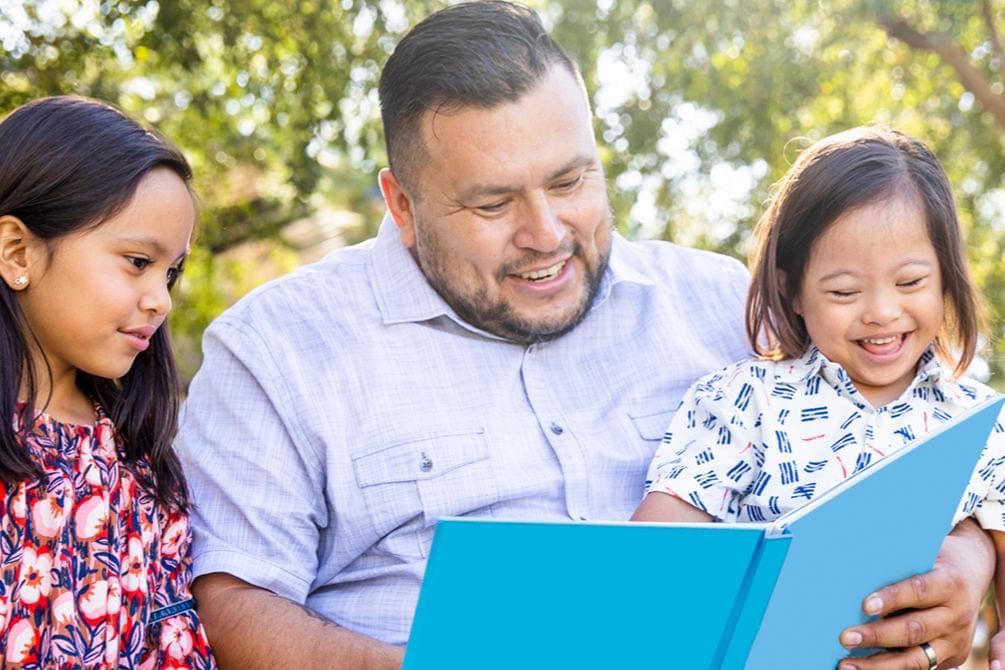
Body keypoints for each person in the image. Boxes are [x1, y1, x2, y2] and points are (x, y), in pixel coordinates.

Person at [176, 3, 995, 669]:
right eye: (493, 205)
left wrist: (964, 568)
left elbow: (901, 431)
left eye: (570, 181)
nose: (547, 233)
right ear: (401, 205)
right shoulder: (277, 347)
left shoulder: (725, 308)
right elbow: (235, 601)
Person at [632, 126, 1005, 670]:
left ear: (946, 276)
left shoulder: (977, 418)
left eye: (910, 282)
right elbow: (654, 554)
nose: (880, 311)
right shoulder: (744, 401)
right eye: (844, 292)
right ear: (793, 291)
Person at [0, 96, 216, 667]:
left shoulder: (139, 459)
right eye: (138, 262)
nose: (161, 300)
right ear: (16, 251)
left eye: (171, 272)